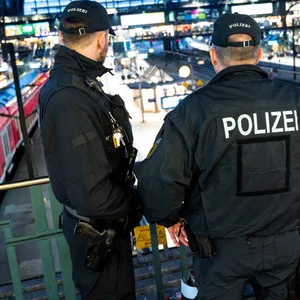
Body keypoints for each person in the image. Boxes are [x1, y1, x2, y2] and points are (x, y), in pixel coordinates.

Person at [134, 13, 300, 300]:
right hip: (285, 244)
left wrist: (170, 218)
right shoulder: (295, 100)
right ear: (259, 54)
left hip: (220, 251)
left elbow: (158, 181)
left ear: (213, 56)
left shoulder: (193, 111)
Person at [38, 1, 140, 299]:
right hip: (99, 234)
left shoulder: (77, 86)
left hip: (102, 228)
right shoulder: (71, 98)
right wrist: (136, 203)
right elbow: (93, 194)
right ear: (102, 38)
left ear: (62, 37)